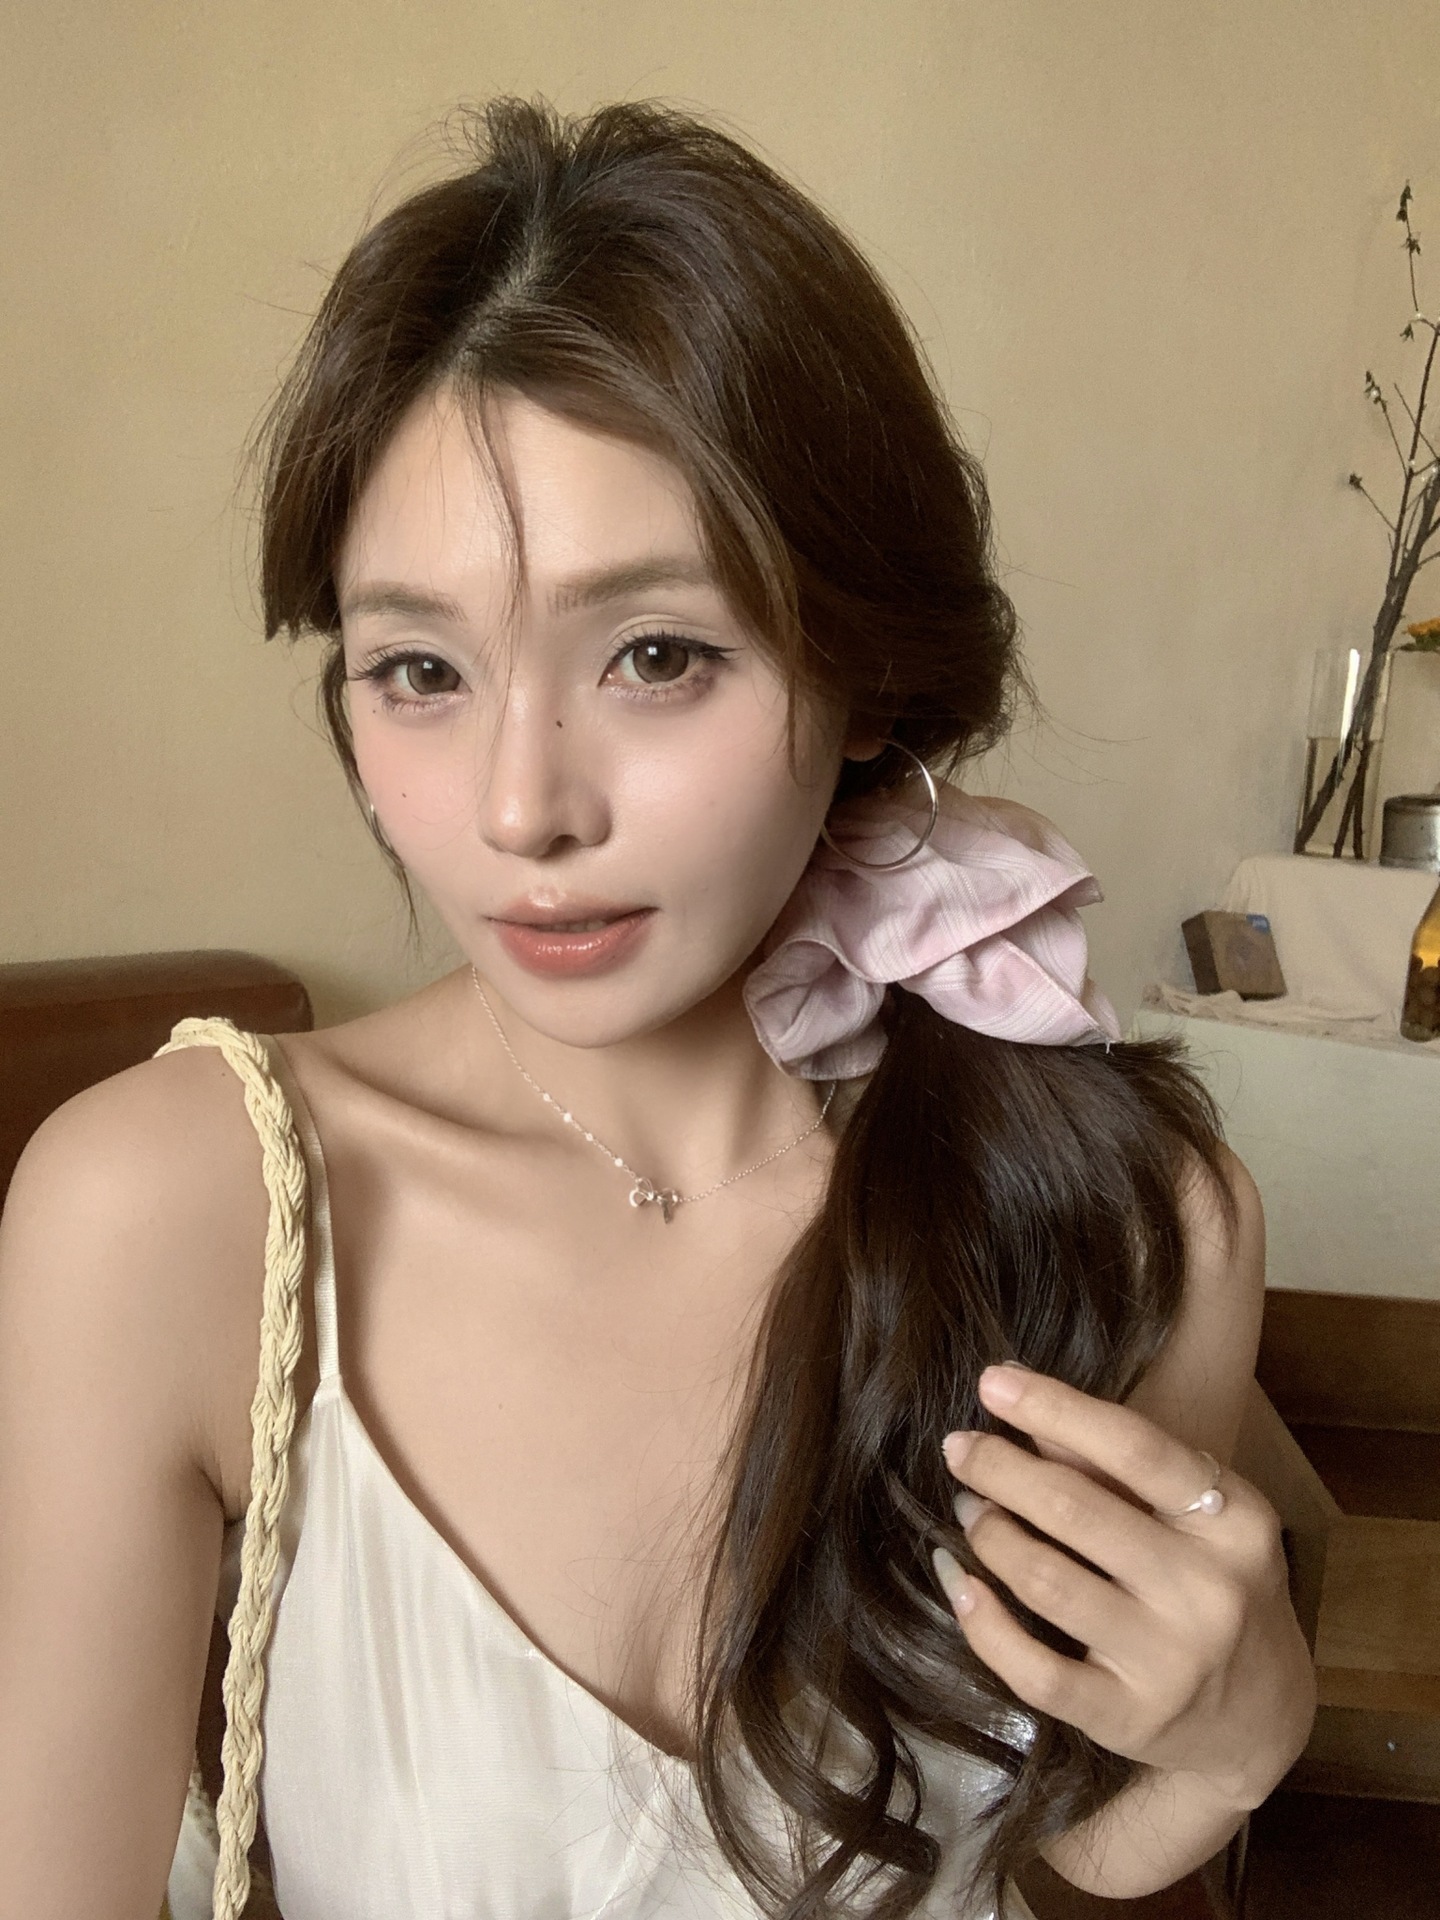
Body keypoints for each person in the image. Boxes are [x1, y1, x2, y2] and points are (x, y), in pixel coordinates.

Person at [0, 97, 1314, 1920]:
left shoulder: (1124, 1210)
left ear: (863, 675)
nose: (522, 807)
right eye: (420, 670)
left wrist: (1238, 1743)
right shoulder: (176, 1212)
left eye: (656, 654)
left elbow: (1075, 1848)